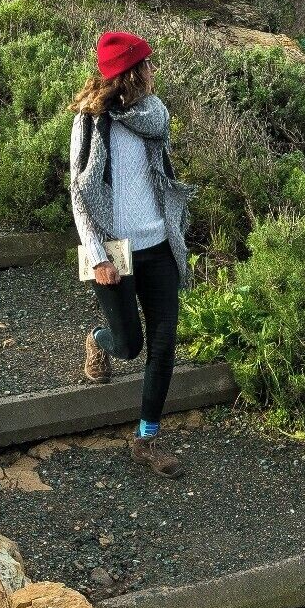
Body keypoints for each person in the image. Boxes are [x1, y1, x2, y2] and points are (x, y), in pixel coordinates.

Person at [69, 29, 194, 477]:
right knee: (129, 346)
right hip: (114, 252)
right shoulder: (90, 122)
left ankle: (146, 437)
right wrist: (97, 254)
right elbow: (80, 193)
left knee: (164, 345)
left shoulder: (154, 115)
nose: (153, 71)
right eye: (146, 65)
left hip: (158, 245)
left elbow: (161, 176)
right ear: (129, 74)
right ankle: (98, 341)